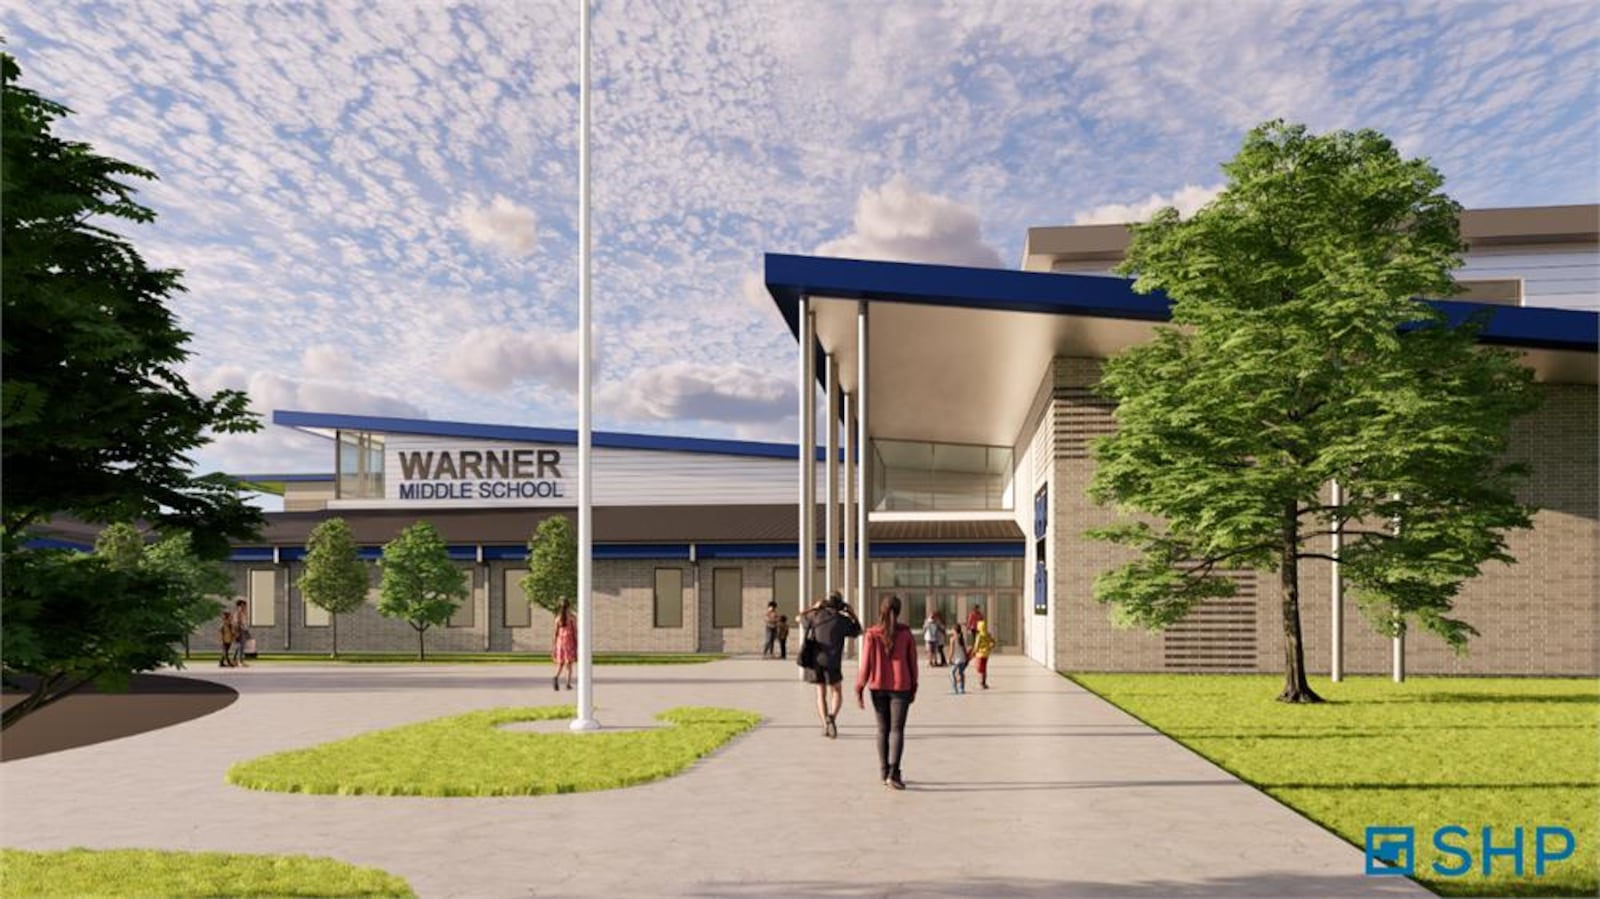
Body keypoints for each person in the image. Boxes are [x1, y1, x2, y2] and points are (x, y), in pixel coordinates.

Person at [856, 594, 918, 789]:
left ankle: (884, 772)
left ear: (880, 611)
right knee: (897, 729)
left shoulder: (871, 634)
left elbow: (864, 665)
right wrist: (914, 685)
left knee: (882, 729)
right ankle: (895, 773)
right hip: (901, 687)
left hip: (877, 687)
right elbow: (912, 663)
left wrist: (859, 687)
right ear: (898, 611)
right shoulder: (906, 634)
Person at [800, 592, 860, 739]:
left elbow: (799, 617)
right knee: (837, 691)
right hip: (833, 661)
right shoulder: (842, 620)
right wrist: (852, 613)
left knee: (820, 693)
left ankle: (825, 724)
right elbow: (858, 630)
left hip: (816, 661)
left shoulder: (816, 616)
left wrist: (813, 608)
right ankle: (831, 717)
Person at [552, 599, 577, 691]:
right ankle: (568, 684)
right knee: (569, 664)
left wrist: (554, 646)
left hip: (560, 641)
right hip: (569, 641)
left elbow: (555, 633)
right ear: (569, 606)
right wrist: (576, 643)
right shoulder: (572, 617)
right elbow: (575, 631)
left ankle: (556, 676)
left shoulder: (558, 618)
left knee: (561, 663)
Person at [971, 619, 996, 690]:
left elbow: (976, 645)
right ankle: (984, 683)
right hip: (986, 654)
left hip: (979, 654)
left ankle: (981, 683)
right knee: (984, 669)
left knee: (979, 669)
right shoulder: (988, 634)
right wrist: (989, 647)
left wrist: (973, 652)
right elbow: (993, 642)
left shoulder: (979, 636)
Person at [948, 622, 969, 694]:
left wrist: (949, 659)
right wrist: (966, 657)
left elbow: (951, 650)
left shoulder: (952, 639)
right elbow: (964, 649)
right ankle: (962, 688)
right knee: (961, 673)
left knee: (952, 673)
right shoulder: (961, 638)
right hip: (962, 659)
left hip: (957, 660)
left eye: (952, 629)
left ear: (954, 630)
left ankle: (955, 689)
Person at [232, 600, 251, 667]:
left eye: (245, 605)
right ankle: (241, 661)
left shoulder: (242, 613)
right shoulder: (238, 613)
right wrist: (237, 632)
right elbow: (237, 623)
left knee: (239, 646)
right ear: (239, 606)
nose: (244, 607)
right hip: (240, 630)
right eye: (243, 605)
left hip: (243, 630)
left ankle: (234, 661)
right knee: (241, 646)